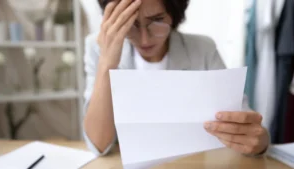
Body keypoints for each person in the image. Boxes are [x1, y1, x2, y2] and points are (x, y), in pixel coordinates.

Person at [83, 0, 270, 157]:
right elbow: (99, 145)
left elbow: (245, 122)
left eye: (157, 20)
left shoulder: (202, 50)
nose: (145, 39)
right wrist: (107, 62)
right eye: (131, 24)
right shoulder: (97, 48)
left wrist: (259, 141)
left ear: (174, 14)